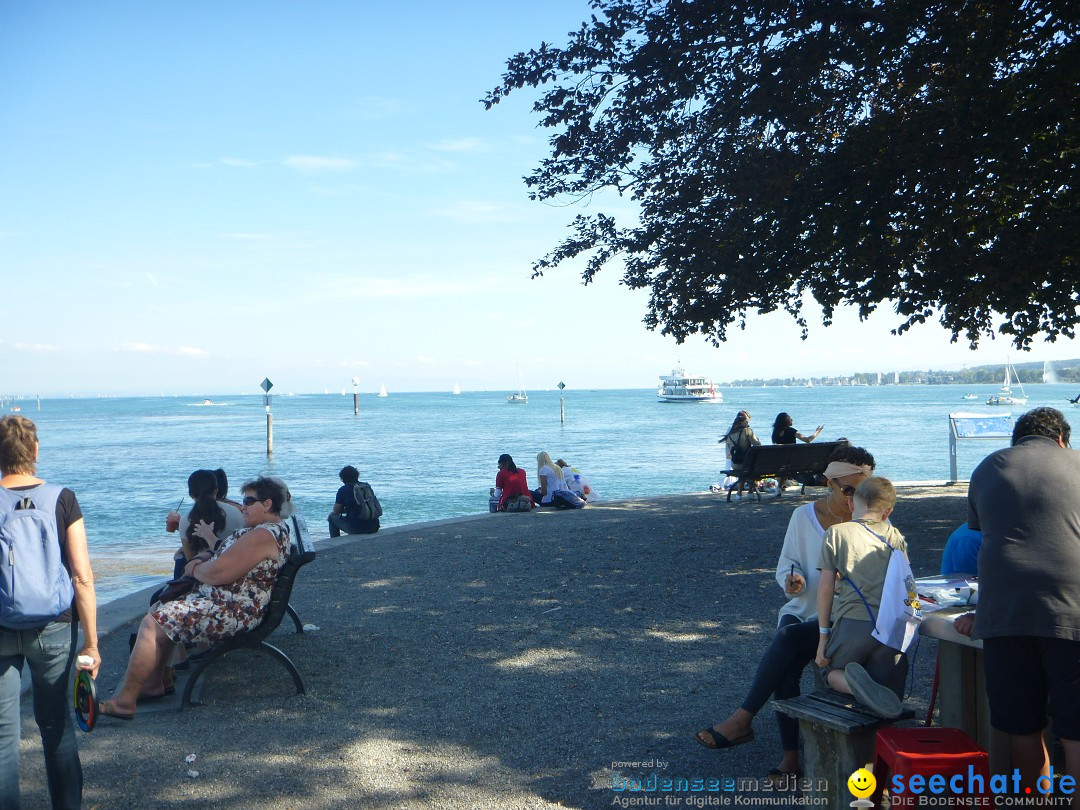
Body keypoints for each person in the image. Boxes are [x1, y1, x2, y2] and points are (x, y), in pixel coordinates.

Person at [695, 445, 875, 781]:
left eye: (861, 491)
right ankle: (782, 751)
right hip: (803, 606)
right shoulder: (804, 517)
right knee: (788, 643)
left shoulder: (871, 522)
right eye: (848, 489)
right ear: (829, 482)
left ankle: (752, 727)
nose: (854, 499)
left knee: (788, 641)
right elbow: (788, 565)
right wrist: (793, 579)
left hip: (844, 617)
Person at [99, 476, 291, 720]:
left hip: (233, 612)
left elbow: (219, 572)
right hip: (230, 603)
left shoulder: (262, 535)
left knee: (153, 621)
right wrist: (204, 559)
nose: (242, 506)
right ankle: (153, 684)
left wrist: (193, 568)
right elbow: (220, 556)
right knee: (162, 608)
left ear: (267, 504)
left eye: (248, 501)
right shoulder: (263, 531)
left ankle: (125, 702)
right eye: (243, 500)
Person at [963, 407, 1080, 797]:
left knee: (1023, 726)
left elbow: (983, 530)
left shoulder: (987, 468)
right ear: (1062, 438)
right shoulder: (1076, 463)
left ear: (1017, 440)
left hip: (1004, 612)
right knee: (1077, 729)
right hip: (1072, 608)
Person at [0, 415, 100, 808]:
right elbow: (82, 577)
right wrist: (92, 643)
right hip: (54, 628)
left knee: (4, 734)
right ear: (35, 450)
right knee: (56, 725)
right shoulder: (63, 498)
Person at [815, 476, 909, 719]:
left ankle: (856, 688)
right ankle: (873, 692)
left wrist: (823, 636)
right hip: (891, 626)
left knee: (830, 671)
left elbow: (825, 588)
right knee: (883, 682)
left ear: (850, 503)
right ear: (887, 512)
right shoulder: (895, 535)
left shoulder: (837, 533)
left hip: (854, 622)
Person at [166, 469, 245, 580]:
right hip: (236, 571)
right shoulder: (236, 512)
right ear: (216, 491)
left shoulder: (186, 520)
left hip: (205, 577)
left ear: (190, 494)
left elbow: (191, 560)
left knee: (157, 596)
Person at [771, 413, 824, 494]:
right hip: (793, 461)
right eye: (789, 418)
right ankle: (780, 486)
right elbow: (808, 440)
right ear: (785, 421)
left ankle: (779, 487)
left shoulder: (775, 433)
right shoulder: (791, 431)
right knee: (789, 465)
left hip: (780, 461)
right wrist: (817, 432)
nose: (792, 419)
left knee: (784, 466)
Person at [328, 465, 380, 536]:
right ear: (357, 476)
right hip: (374, 526)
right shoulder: (366, 486)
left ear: (342, 479)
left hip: (357, 528)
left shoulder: (343, 490)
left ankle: (335, 541)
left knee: (332, 518)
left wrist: (332, 513)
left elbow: (336, 512)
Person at [720, 411, 760, 497]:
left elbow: (729, 449)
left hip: (735, 464)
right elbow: (757, 444)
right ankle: (750, 492)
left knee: (744, 471)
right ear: (741, 423)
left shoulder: (730, 434)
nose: (747, 424)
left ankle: (739, 493)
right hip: (747, 463)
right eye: (746, 422)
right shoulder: (747, 431)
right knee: (752, 466)